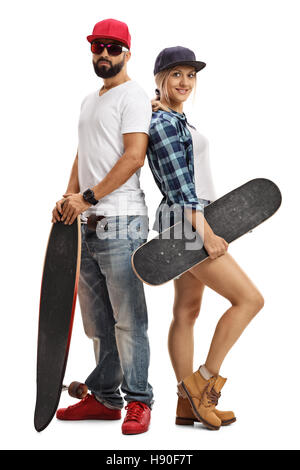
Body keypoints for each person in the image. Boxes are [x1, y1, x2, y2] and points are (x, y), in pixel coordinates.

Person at [147, 46, 264, 430]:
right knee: (249, 299)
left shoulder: (177, 120)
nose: (184, 82)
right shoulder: (164, 124)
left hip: (187, 222)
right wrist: (208, 234)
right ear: (160, 79)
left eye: (190, 75)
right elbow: (182, 188)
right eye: (176, 74)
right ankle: (202, 385)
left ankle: (185, 403)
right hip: (187, 224)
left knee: (186, 312)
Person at [52, 18, 153, 435]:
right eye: (98, 47)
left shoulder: (133, 95)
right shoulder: (89, 101)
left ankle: (139, 401)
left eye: (113, 47)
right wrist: (68, 198)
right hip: (87, 226)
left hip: (122, 221)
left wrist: (89, 197)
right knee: (96, 321)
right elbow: (83, 154)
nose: (104, 54)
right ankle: (107, 399)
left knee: (129, 319)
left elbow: (133, 157)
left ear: (126, 52)